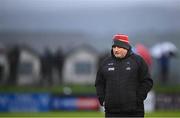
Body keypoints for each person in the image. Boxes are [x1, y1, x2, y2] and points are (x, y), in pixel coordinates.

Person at [95, 34, 153, 117]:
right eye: (114, 47)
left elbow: (147, 81)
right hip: (111, 112)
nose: (116, 50)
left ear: (126, 47)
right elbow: (99, 83)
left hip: (134, 112)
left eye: (119, 47)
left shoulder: (138, 61)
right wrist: (103, 99)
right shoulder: (105, 63)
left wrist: (137, 99)